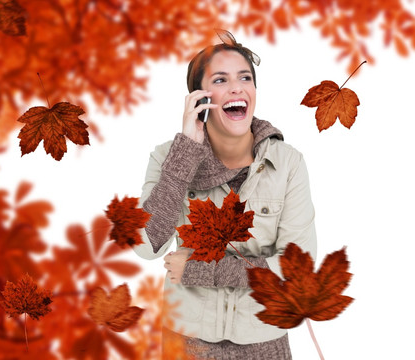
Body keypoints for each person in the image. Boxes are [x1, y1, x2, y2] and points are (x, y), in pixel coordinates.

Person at [132, 29, 317, 359]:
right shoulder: (167, 157)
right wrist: (185, 151)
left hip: (265, 342)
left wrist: (202, 270)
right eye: (220, 80)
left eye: (245, 77)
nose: (236, 87)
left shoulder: (287, 163)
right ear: (199, 98)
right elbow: (146, 245)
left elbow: (298, 268)